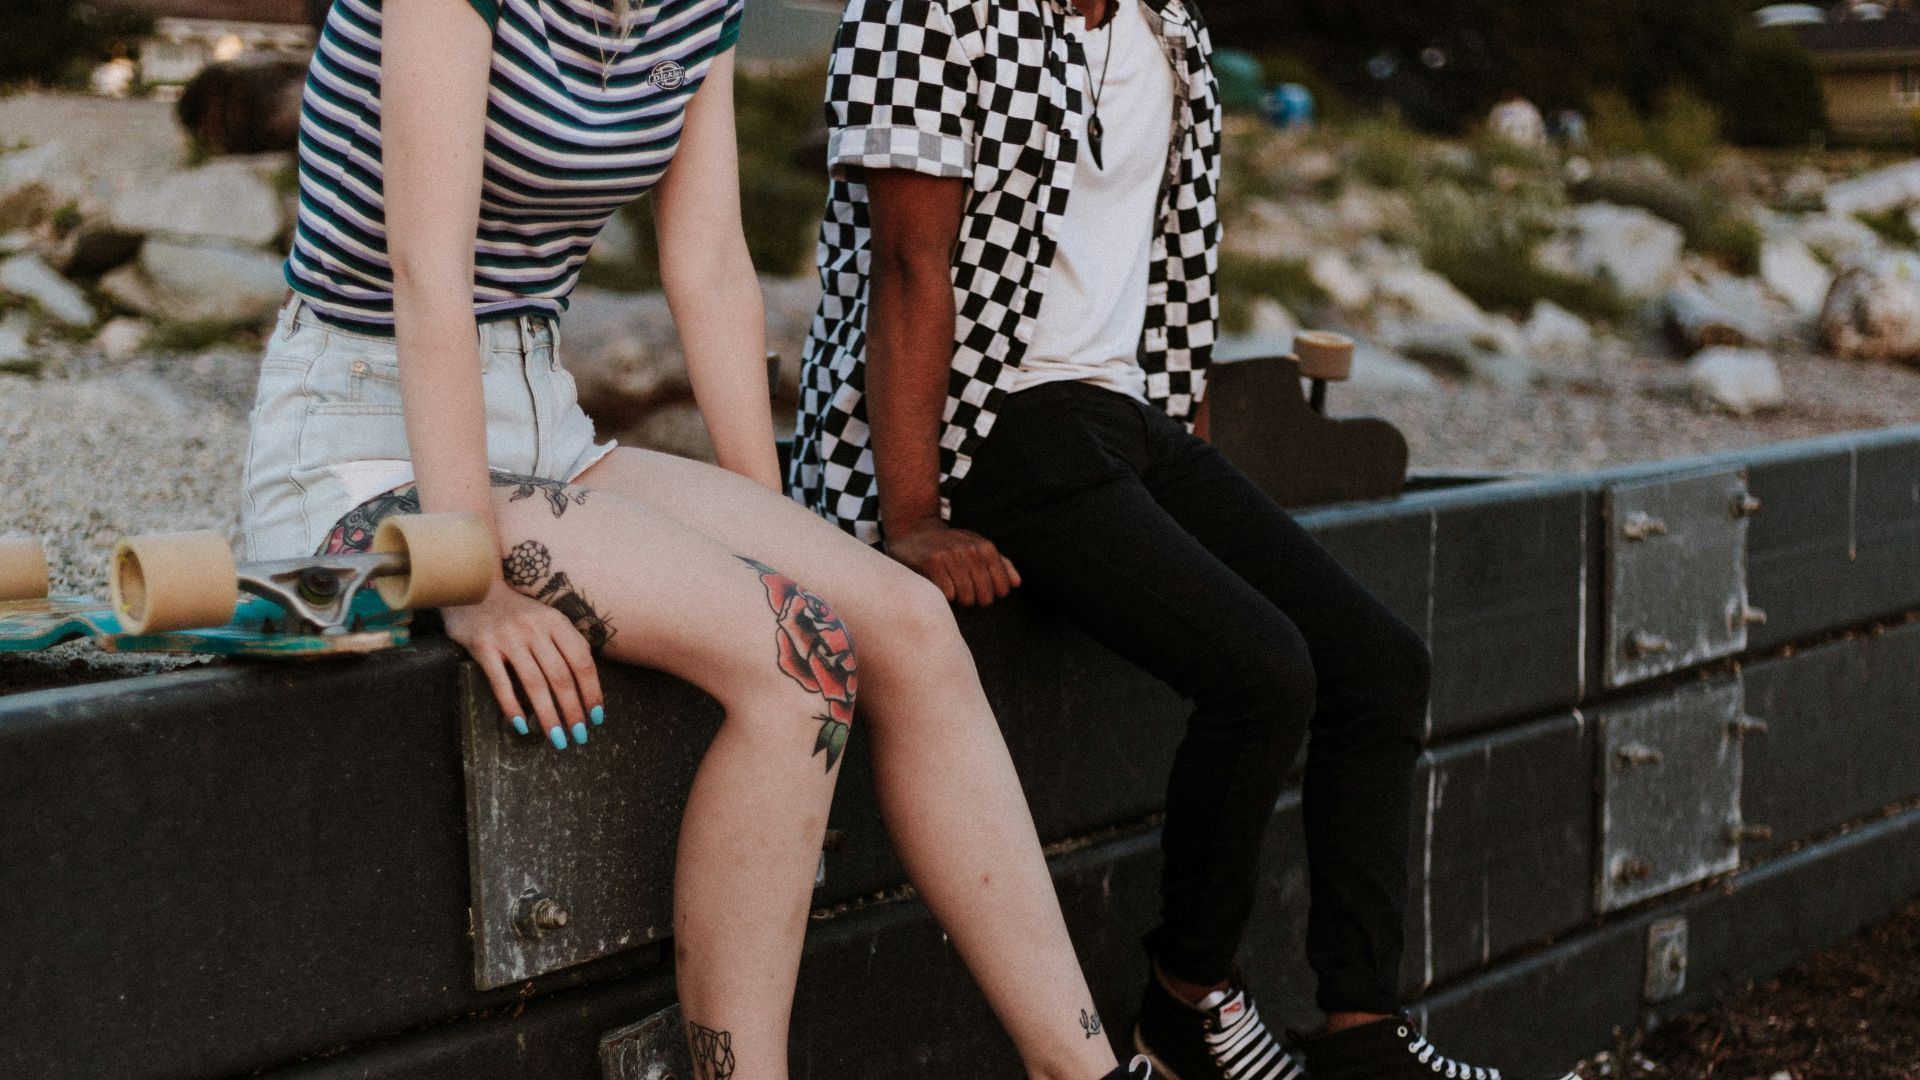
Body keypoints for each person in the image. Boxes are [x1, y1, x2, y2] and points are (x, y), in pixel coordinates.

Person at [239, 0, 1152, 1076]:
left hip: (542, 418)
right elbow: (426, 275)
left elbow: (710, 262)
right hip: (362, 439)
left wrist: (772, 532)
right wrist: (469, 574)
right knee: (801, 659)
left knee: (906, 623)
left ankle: (1080, 1068)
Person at [787, 0, 1572, 1078]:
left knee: (1378, 665)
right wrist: (914, 518)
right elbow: (908, 264)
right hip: (986, 426)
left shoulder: (1170, 33)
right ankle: (1186, 1003)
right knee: (1264, 671)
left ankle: (1364, 1040)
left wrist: (1190, 487)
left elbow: (1174, 267)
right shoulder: (925, 10)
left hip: (1123, 420)